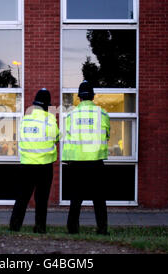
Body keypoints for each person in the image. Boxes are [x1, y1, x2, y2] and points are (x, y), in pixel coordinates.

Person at [62, 80, 110, 235]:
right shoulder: (102, 114)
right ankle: (102, 230)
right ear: (93, 97)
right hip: (96, 162)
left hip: (75, 163)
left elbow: (67, 136)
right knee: (99, 199)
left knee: (75, 199)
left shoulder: (71, 115)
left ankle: (72, 229)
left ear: (79, 98)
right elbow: (107, 135)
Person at [9, 88, 59, 234]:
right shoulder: (49, 119)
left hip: (26, 165)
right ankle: (40, 227)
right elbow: (56, 137)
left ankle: (14, 227)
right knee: (42, 199)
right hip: (44, 165)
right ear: (47, 104)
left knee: (22, 197)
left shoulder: (25, 119)